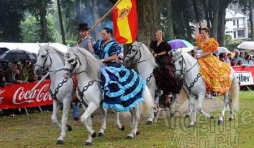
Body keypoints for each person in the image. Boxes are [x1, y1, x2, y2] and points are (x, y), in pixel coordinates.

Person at [93, 27, 146, 112]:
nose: (102, 36)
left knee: (111, 80)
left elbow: (114, 57)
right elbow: (94, 51)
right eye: (101, 34)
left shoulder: (114, 44)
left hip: (111, 65)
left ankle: (114, 100)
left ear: (109, 33)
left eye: (104, 34)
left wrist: (102, 60)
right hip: (100, 65)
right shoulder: (99, 43)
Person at [195, 22, 231, 95]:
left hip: (208, 58)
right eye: (201, 33)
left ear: (207, 33)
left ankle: (214, 88)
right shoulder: (201, 39)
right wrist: (196, 28)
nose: (201, 34)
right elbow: (196, 37)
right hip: (201, 57)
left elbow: (210, 52)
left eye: (203, 33)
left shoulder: (211, 41)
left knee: (212, 72)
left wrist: (200, 55)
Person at [149, 30, 182, 108]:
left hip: (164, 59)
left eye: (158, 35)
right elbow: (152, 49)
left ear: (161, 35)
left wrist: (157, 54)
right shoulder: (154, 43)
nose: (156, 36)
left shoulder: (165, 44)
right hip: (155, 58)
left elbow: (166, 52)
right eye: (156, 35)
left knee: (167, 70)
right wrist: (153, 53)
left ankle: (169, 91)